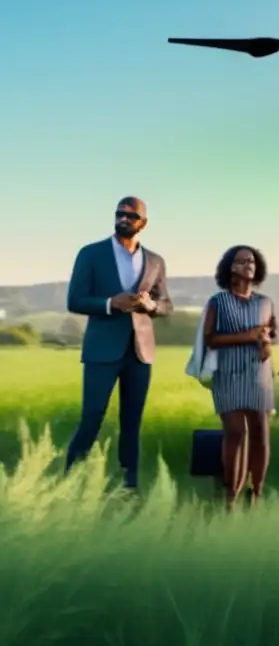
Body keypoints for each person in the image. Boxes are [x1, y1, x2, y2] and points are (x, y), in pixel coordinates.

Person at [64, 197, 173, 490]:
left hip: (140, 352)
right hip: (102, 351)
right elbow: (74, 300)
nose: (124, 218)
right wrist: (111, 303)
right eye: (119, 213)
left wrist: (151, 307)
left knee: (132, 423)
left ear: (143, 223)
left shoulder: (155, 261)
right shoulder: (90, 254)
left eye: (131, 215)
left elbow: (166, 304)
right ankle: (69, 483)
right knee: (92, 418)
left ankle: (130, 488)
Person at [202, 245, 277, 509]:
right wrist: (247, 336)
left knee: (260, 433)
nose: (248, 265)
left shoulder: (265, 302)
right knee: (235, 432)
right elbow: (209, 338)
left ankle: (255, 494)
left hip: (259, 374)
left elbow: (270, 334)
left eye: (253, 261)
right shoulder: (218, 301)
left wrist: (266, 343)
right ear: (230, 267)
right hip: (228, 373)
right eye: (242, 261)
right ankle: (230, 497)